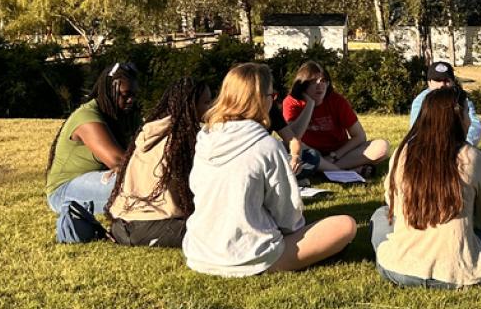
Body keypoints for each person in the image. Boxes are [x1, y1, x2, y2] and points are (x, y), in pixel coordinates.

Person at [183, 63, 356, 277]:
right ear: (261, 100)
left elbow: (197, 188)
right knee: (345, 226)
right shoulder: (265, 146)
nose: (273, 101)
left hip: (199, 250)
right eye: (271, 96)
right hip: (247, 254)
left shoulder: (205, 138)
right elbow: (288, 218)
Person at [371, 87, 481, 288]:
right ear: (457, 117)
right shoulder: (473, 158)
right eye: (467, 113)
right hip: (454, 271)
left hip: (398, 268)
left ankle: (402, 249)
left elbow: (393, 205)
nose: (470, 121)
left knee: (380, 215)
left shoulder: (402, 153)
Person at [106, 78, 212, 248]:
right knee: (217, 230)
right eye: (206, 102)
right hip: (153, 225)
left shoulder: (150, 133)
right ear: (191, 106)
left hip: (122, 225)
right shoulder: (181, 141)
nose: (211, 107)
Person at [45, 62, 141, 216]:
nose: (131, 100)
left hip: (100, 179)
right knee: (133, 183)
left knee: (140, 181)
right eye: (125, 94)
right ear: (109, 90)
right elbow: (118, 161)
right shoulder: (86, 116)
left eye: (134, 95)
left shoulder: (128, 117)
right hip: (63, 192)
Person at [281, 61, 390, 178]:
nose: (320, 85)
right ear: (303, 84)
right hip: (309, 152)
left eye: (323, 81)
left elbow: (359, 136)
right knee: (284, 145)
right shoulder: (291, 102)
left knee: (381, 146)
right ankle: (343, 171)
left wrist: (334, 156)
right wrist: (310, 105)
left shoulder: (337, 101)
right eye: (313, 82)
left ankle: (321, 169)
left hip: (339, 154)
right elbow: (293, 138)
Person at [409, 61, 481, 147]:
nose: (442, 84)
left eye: (446, 80)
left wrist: (464, 145)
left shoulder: (460, 98)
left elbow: (475, 123)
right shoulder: (421, 101)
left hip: (458, 144)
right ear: (429, 82)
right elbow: (416, 130)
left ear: (453, 82)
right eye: (438, 80)